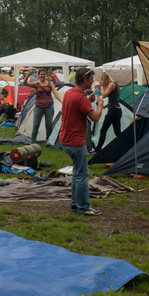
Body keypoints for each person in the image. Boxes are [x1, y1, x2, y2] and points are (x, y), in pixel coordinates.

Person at [59, 67, 104, 216]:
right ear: (85, 80)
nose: (93, 81)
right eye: (91, 79)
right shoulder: (80, 98)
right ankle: (84, 207)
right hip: (75, 141)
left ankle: (75, 203)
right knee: (82, 174)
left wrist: (87, 100)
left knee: (77, 173)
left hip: (65, 138)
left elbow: (79, 106)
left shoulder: (70, 93)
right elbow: (95, 117)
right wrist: (100, 104)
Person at [24, 69, 61, 143]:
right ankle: (33, 141)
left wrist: (62, 101)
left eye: (44, 74)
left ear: (46, 75)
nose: (42, 76)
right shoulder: (36, 84)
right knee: (35, 125)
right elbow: (24, 83)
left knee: (48, 126)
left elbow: (55, 93)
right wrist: (27, 75)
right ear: (38, 75)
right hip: (38, 107)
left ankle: (49, 141)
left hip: (49, 107)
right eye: (41, 74)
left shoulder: (50, 84)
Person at [94, 72, 122, 154]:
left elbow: (104, 95)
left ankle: (97, 150)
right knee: (117, 132)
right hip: (116, 110)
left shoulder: (111, 84)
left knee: (103, 130)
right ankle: (124, 147)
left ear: (103, 79)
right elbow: (114, 99)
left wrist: (101, 86)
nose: (99, 82)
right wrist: (105, 106)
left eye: (100, 80)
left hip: (113, 111)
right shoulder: (114, 85)